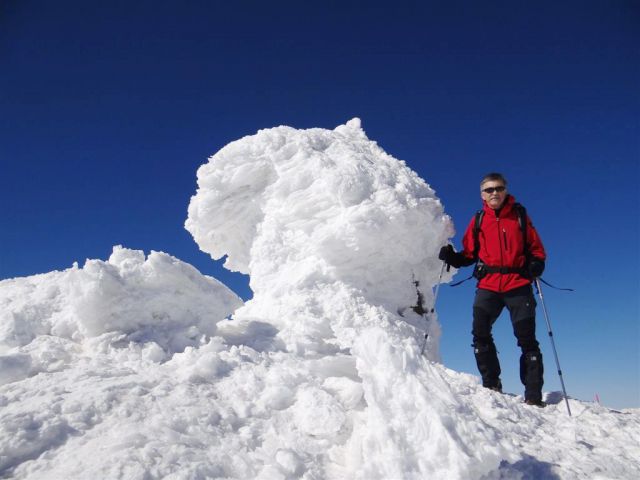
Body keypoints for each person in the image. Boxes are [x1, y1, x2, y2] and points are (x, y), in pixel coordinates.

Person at [439, 173, 547, 407]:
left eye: (498, 188)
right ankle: (491, 384)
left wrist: (537, 264)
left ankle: (534, 395)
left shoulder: (519, 216)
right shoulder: (478, 220)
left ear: (505, 190)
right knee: (480, 335)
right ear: (482, 195)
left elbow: (537, 249)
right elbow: (469, 254)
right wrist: (453, 258)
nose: (494, 193)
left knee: (527, 339)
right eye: (489, 190)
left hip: (518, 284)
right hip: (488, 285)